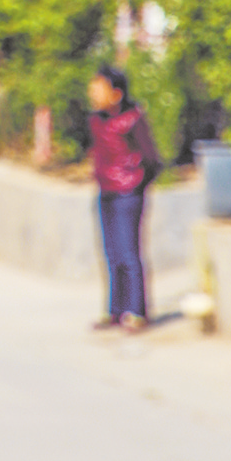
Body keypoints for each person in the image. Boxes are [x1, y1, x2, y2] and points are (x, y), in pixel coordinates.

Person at [87, 64, 161, 331]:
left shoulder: (133, 119)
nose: (93, 92)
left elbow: (152, 158)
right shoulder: (97, 120)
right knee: (111, 252)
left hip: (128, 193)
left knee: (129, 252)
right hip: (105, 190)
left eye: (99, 87)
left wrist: (137, 183)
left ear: (116, 93)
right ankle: (115, 310)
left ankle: (137, 311)